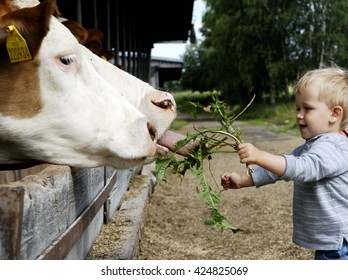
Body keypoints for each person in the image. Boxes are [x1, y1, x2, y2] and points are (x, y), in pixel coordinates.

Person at [220, 66, 348, 260]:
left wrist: (259, 155)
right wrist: (242, 180)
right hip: (334, 243)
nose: (299, 115)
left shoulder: (333, 146)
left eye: (308, 109)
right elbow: (277, 169)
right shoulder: (316, 144)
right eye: (298, 108)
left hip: (338, 244)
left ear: (334, 114)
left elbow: (301, 168)